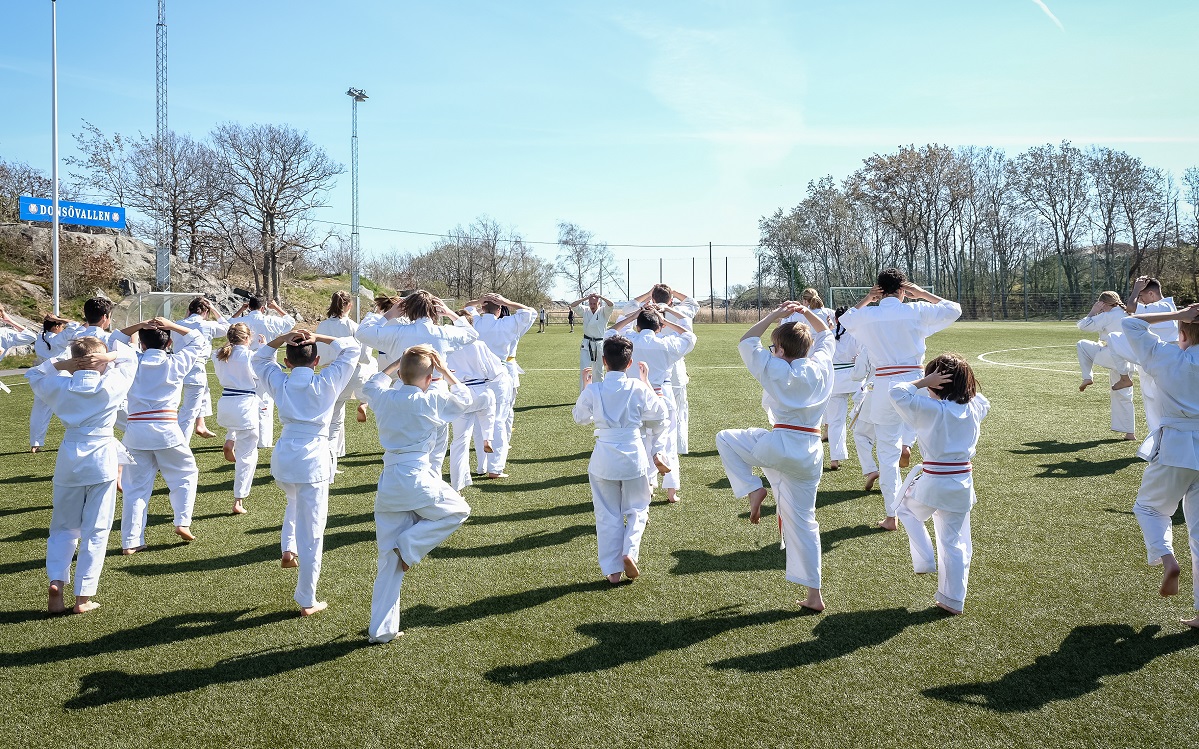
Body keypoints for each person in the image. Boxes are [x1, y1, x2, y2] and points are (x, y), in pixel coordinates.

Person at [714, 302, 834, 611]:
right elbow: (826, 335)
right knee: (805, 522)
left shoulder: (775, 367)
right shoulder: (821, 366)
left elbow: (746, 341)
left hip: (778, 444)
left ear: (780, 349)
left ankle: (752, 488)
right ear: (806, 348)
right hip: (810, 451)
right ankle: (815, 595)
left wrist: (772, 316)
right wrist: (806, 313)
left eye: (774, 347)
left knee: (725, 438)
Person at [361, 344, 473, 643]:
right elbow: (464, 398)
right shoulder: (431, 400)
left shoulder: (385, 398)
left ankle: (381, 631)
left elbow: (371, 384)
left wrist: (396, 364)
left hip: (390, 481)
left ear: (400, 374)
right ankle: (409, 546)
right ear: (429, 377)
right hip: (417, 477)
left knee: (388, 564)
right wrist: (444, 371)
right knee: (458, 511)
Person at [838, 269, 961, 531]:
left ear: (879, 290)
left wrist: (867, 299)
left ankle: (891, 516)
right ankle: (935, 503)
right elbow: (954, 309)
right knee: (933, 445)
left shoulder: (869, 315)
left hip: (884, 387)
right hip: (917, 384)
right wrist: (922, 294)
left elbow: (845, 319)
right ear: (903, 290)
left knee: (887, 454)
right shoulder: (915, 309)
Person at [253, 328, 361, 616]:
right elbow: (352, 348)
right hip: (312, 459)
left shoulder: (280, 381)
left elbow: (259, 358)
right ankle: (307, 599)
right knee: (312, 532)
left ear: (287, 362)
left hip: (285, 458)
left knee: (294, 501)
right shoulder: (327, 379)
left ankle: (289, 548)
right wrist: (318, 336)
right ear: (316, 361)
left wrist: (283, 338)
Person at [26, 335, 138, 613]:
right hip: (101, 458)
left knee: (62, 528)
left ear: (74, 360)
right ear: (101, 361)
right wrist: (109, 357)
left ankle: (56, 581)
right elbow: (130, 357)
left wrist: (64, 364)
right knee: (96, 530)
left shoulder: (59, 385)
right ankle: (83, 597)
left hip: (69, 457)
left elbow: (34, 374)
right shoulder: (112, 383)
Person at [890, 354, 990, 615]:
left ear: (937, 384)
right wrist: (960, 382)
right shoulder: (974, 408)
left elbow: (897, 392)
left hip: (935, 481)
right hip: (962, 483)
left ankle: (925, 559)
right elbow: (982, 400)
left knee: (904, 509)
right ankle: (953, 600)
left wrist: (924, 381)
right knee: (953, 541)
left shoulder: (932, 410)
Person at [1120, 303, 1199, 628]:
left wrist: (1177, 314)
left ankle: (1168, 560)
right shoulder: (1170, 355)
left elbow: (1131, 323)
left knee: (1150, 509)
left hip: (1176, 447)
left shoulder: (1166, 356)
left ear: (1182, 332)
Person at [573, 336, 668, 584]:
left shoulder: (594, 390)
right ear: (630, 363)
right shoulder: (637, 387)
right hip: (633, 455)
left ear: (604, 361)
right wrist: (646, 383)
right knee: (638, 509)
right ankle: (630, 551)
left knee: (607, 514)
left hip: (604, 458)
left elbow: (580, 418)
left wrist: (586, 387)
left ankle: (613, 571)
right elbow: (659, 413)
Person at [357, 290, 477, 473]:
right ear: (435, 310)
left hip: (403, 389)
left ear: (408, 310)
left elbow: (363, 333)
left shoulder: (398, 332)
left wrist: (389, 314)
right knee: (435, 455)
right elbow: (471, 334)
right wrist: (450, 313)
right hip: (436, 388)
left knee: (404, 442)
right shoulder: (443, 332)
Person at [117, 317, 210, 554]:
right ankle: (182, 521)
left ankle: (131, 541)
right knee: (185, 474)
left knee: (135, 488)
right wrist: (172, 325)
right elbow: (198, 340)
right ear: (169, 343)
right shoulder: (176, 361)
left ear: (141, 344)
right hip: (167, 429)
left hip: (136, 431)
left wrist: (140, 325)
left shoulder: (132, 360)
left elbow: (114, 339)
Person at [607, 303, 696, 503]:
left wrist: (634, 315)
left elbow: (610, 332)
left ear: (638, 326)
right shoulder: (666, 343)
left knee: (639, 443)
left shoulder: (629, 341)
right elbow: (690, 336)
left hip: (634, 397)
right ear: (659, 327)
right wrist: (665, 320)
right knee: (668, 442)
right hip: (661, 393)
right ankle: (671, 491)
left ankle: (646, 485)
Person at [467, 292, 536, 477]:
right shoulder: (506, 323)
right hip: (499, 375)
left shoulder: (476, 322)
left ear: (483, 308)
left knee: (479, 422)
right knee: (498, 420)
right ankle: (495, 468)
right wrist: (507, 302)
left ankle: (481, 466)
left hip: (478, 377)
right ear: (499, 309)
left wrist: (479, 301)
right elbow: (530, 312)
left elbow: (467, 307)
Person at [446, 310, 510, 491]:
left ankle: (458, 484)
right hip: (482, 390)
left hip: (460, 391)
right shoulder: (479, 344)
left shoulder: (448, 346)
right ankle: (487, 448)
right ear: (471, 325)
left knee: (460, 441)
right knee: (488, 424)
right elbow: (496, 372)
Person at [315, 290, 379, 474]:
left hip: (330, 374)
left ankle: (329, 460)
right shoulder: (354, 326)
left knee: (333, 420)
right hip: (353, 373)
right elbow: (365, 356)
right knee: (372, 367)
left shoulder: (322, 326)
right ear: (349, 305)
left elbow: (318, 353)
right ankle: (364, 401)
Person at [1106, 276, 1178, 435]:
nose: (1140, 300)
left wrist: (1136, 289)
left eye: (1142, 296)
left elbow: (1130, 308)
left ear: (1151, 294)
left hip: (1161, 360)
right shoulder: (1160, 307)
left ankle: (1164, 437)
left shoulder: (1163, 306)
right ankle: (1157, 438)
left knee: (1160, 402)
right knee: (1150, 400)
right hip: (1151, 357)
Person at [233, 296, 296, 448]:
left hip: (244, 363)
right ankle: (263, 440)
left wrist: (240, 310)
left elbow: (227, 324)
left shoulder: (243, 321)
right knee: (265, 402)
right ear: (263, 308)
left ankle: (243, 436)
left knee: (245, 401)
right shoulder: (270, 320)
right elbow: (290, 322)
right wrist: (276, 307)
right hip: (265, 363)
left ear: (249, 307)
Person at [213, 322, 259, 515]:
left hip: (227, 402)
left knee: (235, 426)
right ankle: (238, 500)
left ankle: (229, 439)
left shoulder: (218, 354)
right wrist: (264, 349)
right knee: (247, 455)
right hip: (245, 404)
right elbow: (261, 373)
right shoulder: (251, 356)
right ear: (247, 338)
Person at [1076, 291, 1135, 440]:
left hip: (1112, 356)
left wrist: (1093, 311)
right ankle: (1130, 433)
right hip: (1128, 359)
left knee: (1082, 345)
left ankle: (1087, 377)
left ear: (1103, 303)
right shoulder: (1127, 313)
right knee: (1125, 395)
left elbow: (1083, 326)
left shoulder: (1107, 315)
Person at [174, 297, 230, 442]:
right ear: (206, 312)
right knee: (188, 412)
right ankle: (180, 446)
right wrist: (215, 309)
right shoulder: (207, 325)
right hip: (195, 368)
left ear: (189, 310)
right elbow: (227, 328)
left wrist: (187, 315)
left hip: (176, 367)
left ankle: (201, 425)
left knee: (204, 393)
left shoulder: (177, 324)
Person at [30, 313, 76, 452]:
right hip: (60, 378)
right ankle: (77, 439)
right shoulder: (58, 339)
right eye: (61, 326)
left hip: (43, 378)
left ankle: (35, 444)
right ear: (56, 326)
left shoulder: (40, 339)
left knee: (39, 411)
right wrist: (58, 319)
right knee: (73, 409)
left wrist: (53, 320)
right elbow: (75, 325)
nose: (62, 328)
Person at [824, 306, 861, 470]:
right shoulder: (857, 335)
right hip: (855, 379)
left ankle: (835, 459)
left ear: (836, 319)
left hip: (835, 381)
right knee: (864, 416)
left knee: (835, 421)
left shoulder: (829, 335)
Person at [569, 293, 614, 391]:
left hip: (599, 344)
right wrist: (586, 298)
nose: (592, 306)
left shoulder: (604, 311)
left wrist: (601, 296)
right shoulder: (585, 310)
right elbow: (573, 305)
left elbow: (611, 304)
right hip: (586, 344)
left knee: (599, 371)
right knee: (584, 369)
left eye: (594, 303)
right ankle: (584, 393)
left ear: (599, 303)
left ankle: (599, 393)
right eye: (590, 303)